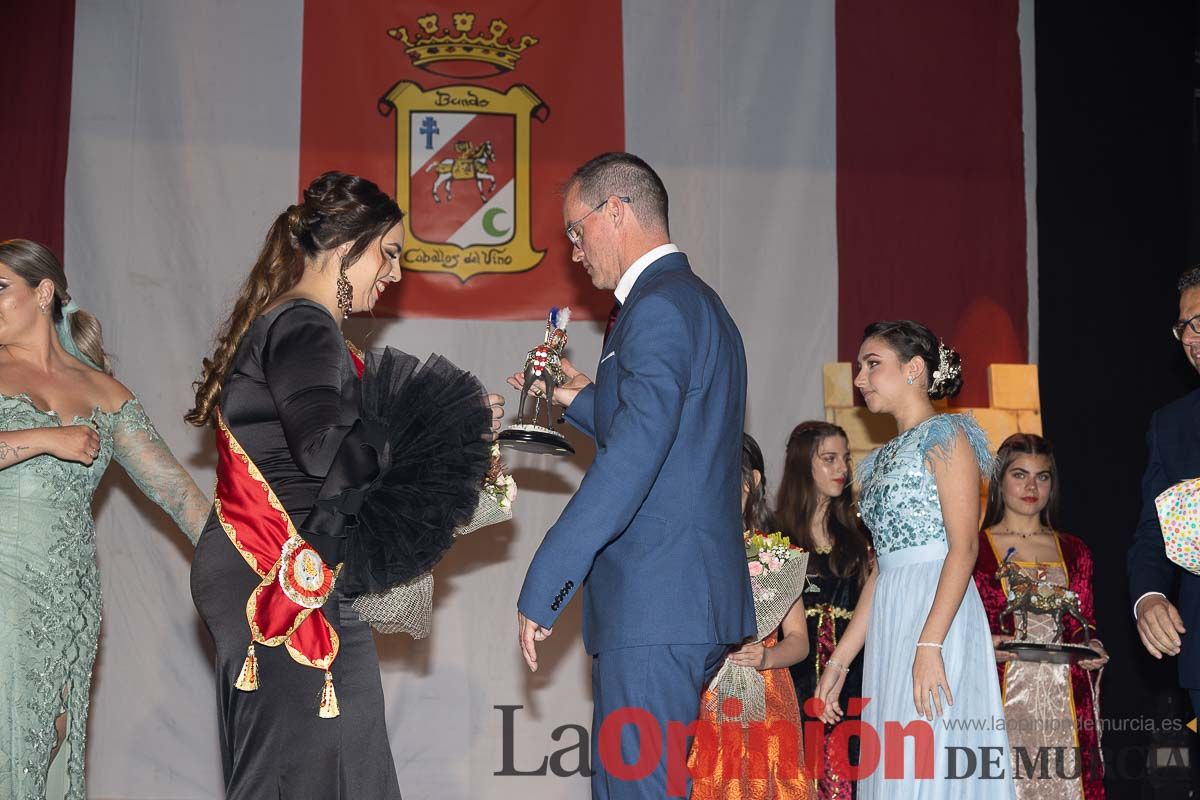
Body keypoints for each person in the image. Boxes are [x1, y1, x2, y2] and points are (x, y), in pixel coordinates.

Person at [187, 172, 502, 799]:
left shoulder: (298, 325)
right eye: (388, 254)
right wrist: (447, 428)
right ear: (344, 248)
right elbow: (325, 449)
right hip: (273, 570)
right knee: (301, 772)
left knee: (337, 768)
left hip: (285, 565)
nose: (394, 275)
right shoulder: (306, 325)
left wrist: (449, 436)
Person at [511, 152, 755, 799]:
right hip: (681, 602)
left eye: (574, 229)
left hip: (656, 606)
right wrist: (581, 399)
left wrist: (546, 580)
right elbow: (672, 437)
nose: (573, 250)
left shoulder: (657, 309)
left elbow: (632, 463)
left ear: (615, 211)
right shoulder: (696, 304)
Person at [0, 239, 209, 800]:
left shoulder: (103, 391)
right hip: (3, 583)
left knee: (52, 738)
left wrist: (259, 565)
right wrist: (45, 438)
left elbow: (179, 495)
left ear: (43, 293)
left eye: (0, 289)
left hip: (68, 595)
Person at [813, 320, 1014, 797]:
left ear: (914, 369)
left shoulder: (946, 435)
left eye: (872, 364)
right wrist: (839, 663)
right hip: (892, 620)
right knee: (898, 766)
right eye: (860, 367)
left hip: (937, 617)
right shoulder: (879, 459)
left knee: (935, 758)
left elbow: (964, 548)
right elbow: (882, 571)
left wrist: (931, 645)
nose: (860, 379)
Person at [974, 433, 1106, 800]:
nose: (1032, 486)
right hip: (999, 697)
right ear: (999, 481)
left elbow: (1087, 626)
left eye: (1042, 476)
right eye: (1020, 475)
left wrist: (1094, 649)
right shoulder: (974, 549)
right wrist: (982, 647)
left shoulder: (1075, 550)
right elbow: (956, 629)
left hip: (1065, 700)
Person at [689, 433, 812, 799]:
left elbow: (799, 641)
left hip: (768, 698)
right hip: (705, 698)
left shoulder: (776, 556)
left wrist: (767, 656)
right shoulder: (690, 552)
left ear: (752, 481)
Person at [776, 421, 872, 799]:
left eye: (845, 459)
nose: (842, 469)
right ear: (803, 465)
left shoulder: (859, 537)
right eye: (829, 459)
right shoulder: (776, 537)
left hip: (854, 678)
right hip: (794, 677)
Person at [1128, 265, 1200, 718]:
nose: (1190, 339)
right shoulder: (1171, 425)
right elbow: (1152, 537)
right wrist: (1149, 597)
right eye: (1183, 327)